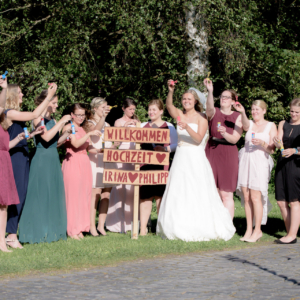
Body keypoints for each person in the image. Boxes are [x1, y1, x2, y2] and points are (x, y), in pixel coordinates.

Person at [156, 80, 235, 241]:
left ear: (195, 102)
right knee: (179, 189)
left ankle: (200, 224)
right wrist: (170, 91)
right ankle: (176, 225)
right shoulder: (179, 114)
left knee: (196, 189)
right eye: (184, 99)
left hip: (195, 156)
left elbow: (199, 139)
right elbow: (169, 107)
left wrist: (187, 127)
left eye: (189, 100)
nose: (186, 102)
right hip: (180, 156)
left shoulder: (202, 117)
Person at [4, 83, 56, 249]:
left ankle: (12, 232)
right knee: (15, 196)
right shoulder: (10, 113)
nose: (22, 95)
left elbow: (16, 136)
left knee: (21, 194)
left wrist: (32, 134)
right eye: (19, 93)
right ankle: (11, 235)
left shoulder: (16, 114)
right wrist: (48, 96)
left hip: (22, 155)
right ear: (12, 96)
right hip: (15, 158)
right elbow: (34, 113)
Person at [19, 86, 72, 243]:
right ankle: (34, 231)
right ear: (46, 102)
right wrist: (62, 121)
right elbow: (46, 138)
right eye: (54, 103)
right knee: (40, 194)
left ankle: (50, 231)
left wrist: (66, 134)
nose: (56, 106)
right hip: (41, 160)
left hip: (53, 158)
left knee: (53, 194)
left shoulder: (53, 120)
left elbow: (55, 143)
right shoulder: (38, 118)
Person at [235, 100, 277, 242]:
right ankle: (248, 230)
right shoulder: (250, 123)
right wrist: (242, 112)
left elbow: (272, 149)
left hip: (260, 162)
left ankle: (258, 230)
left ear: (264, 111)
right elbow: (246, 126)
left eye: (257, 109)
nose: (255, 112)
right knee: (246, 197)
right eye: (253, 109)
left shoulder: (271, 126)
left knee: (255, 197)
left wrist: (263, 143)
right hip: (246, 160)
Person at [204, 79, 243, 219]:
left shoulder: (238, 116)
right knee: (212, 191)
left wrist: (225, 133)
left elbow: (234, 139)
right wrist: (210, 91)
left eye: (227, 97)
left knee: (226, 193)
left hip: (228, 153)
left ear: (233, 101)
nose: (223, 99)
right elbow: (208, 109)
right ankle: (213, 225)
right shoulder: (214, 112)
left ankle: (227, 226)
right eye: (222, 97)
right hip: (212, 151)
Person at [62, 103, 101, 240]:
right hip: (73, 162)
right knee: (73, 197)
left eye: (83, 115)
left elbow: (89, 148)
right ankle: (72, 229)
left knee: (84, 196)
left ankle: (80, 228)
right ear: (72, 115)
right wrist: (90, 133)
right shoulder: (68, 127)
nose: (80, 117)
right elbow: (76, 144)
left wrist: (106, 151)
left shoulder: (82, 129)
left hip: (85, 162)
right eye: (78, 115)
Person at [139, 99, 177, 236]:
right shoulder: (142, 125)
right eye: (149, 109)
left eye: (154, 109)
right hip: (145, 164)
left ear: (161, 111)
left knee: (160, 196)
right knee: (145, 197)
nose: (151, 112)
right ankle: (143, 229)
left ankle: (160, 229)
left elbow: (175, 145)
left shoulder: (169, 126)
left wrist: (165, 148)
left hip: (162, 165)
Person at [106, 98, 139, 233]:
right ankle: (118, 223)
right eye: (130, 109)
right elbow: (116, 140)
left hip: (134, 156)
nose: (132, 111)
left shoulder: (137, 121)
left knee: (131, 189)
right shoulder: (118, 122)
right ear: (123, 109)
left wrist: (137, 125)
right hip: (122, 154)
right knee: (120, 188)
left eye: (133, 109)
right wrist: (125, 127)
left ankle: (131, 222)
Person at [85, 97, 114, 236]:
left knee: (106, 193)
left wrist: (115, 145)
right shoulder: (89, 123)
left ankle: (101, 225)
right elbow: (96, 131)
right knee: (95, 193)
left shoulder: (107, 124)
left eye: (106, 107)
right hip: (95, 160)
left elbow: (109, 142)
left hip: (107, 160)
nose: (105, 110)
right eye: (103, 107)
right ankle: (91, 226)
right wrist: (102, 117)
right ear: (95, 108)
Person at [273, 98, 300, 244]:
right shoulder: (283, 123)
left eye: (297, 112)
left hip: (296, 165)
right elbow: (279, 144)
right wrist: (278, 144)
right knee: (280, 201)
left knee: (294, 201)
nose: (293, 114)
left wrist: (295, 150)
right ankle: (291, 233)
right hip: (282, 163)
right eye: (292, 111)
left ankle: (291, 235)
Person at [0, 77, 19, 252]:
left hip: (4, 163)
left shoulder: (3, 126)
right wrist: (5, 88)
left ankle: (1, 242)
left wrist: (18, 138)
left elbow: (5, 146)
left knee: (3, 205)